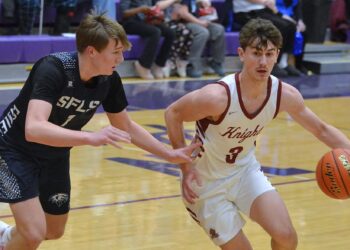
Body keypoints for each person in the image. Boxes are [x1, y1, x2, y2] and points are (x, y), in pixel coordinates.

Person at [0, 12, 200, 250]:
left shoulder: (109, 80)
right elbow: (34, 128)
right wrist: (91, 138)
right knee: (33, 234)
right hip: (13, 151)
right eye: (116, 52)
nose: (121, 58)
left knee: (53, 230)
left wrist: (169, 155)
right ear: (92, 51)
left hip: (54, 155)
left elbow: (125, 126)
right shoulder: (53, 68)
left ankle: (5, 236)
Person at [164, 18, 350, 250]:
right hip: (205, 184)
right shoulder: (216, 97)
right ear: (242, 54)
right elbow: (173, 113)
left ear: (277, 55)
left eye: (269, 54)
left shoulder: (283, 94)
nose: (263, 61)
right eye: (256, 53)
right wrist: (185, 167)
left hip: (244, 172)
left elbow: (321, 129)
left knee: (286, 236)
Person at [233, 0, 302, 77]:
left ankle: (283, 63)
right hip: (246, 12)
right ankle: (274, 64)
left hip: (264, 10)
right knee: (282, 27)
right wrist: (265, 1)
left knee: (291, 25)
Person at [119, 0, 177, 79]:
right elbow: (124, 13)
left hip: (146, 21)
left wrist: (155, 16)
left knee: (170, 33)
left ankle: (159, 64)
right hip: (129, 22)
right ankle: (143, 64)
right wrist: (139, 9)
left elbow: (155, 7)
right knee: (155, 32)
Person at [180, 0, 226, 78]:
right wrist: (199, 22)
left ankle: (216, 62)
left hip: (198, 21)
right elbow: (183, 14)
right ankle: (192, 65)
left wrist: (203, 4)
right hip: (183, 23)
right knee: (203, 32)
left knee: (219, 29)